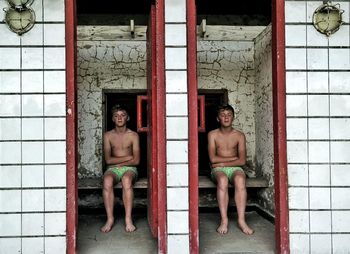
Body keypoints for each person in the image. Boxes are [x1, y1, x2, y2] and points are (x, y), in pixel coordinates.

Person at [207, 104, 254, 235]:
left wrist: (221, 163)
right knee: (222, 180)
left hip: (235, 168)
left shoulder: (239, 135)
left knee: (239, 179)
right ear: (218, 118)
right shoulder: (212, 135)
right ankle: (224, 220)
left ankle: (241, 220)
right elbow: (212, 159)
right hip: (218, 171)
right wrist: (233, 159)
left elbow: (242, 161)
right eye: (223, 115)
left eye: (229, 115)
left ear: (233, 118)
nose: (226, 118)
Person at [101, 104, 140, 233]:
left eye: (122, 115)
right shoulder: (108, 135)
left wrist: (122, 163)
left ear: (127, 118)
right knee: (107, 181)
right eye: (116, 116)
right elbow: (108, 160)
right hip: (113, 169)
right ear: (112, 119)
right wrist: (128, 157)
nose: (119, 118)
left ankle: (128, 219)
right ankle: (110, 219)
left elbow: (136, 160)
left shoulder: (133, 135)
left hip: (130, 168)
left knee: (126, 180)